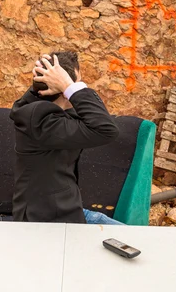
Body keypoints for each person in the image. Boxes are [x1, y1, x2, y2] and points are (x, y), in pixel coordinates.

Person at [10, 51, 122, 224]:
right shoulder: (41, 121)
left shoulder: (42, 110)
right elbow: (106, 130)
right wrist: (70, 87)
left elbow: (91, 120)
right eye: (78, 82)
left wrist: (42, 82)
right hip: (47, 220)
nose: (80, 86)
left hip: (67, 209)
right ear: (62, 90)